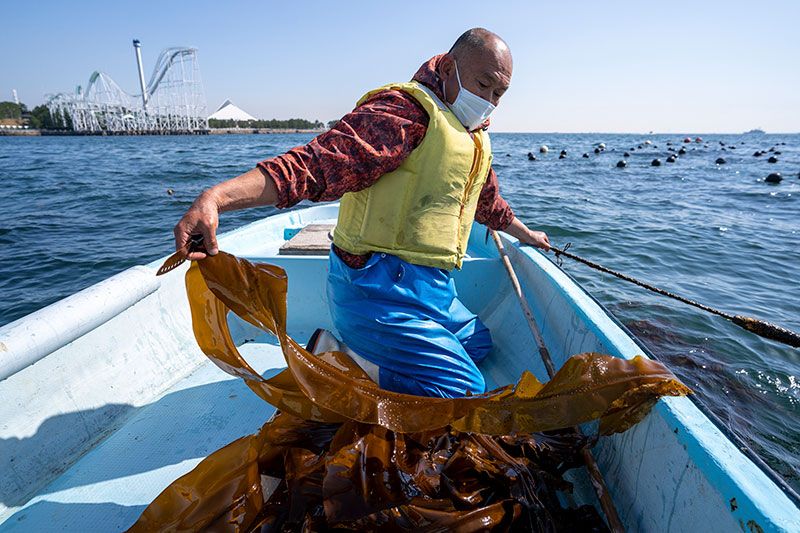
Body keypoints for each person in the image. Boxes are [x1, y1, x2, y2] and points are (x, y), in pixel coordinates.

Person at [174, 28, 550, 399]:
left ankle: (358, 355)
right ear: (449, 69)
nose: (488, 101)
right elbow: (315, 165)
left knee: (480, 345)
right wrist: (216, 198)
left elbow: (488, 204)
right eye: (483, 85)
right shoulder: (403, 114)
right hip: (376, 287)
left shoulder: (472, 134)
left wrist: (527, 235)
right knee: (463, 388)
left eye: (499, 94)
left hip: (432, 289)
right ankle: (340, 360)